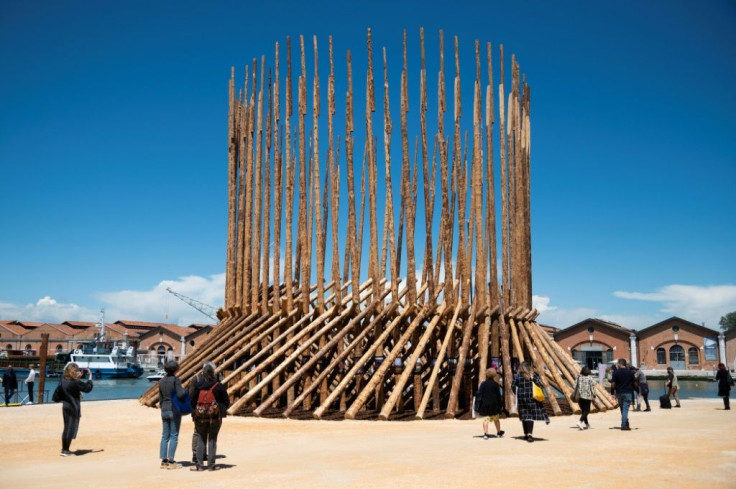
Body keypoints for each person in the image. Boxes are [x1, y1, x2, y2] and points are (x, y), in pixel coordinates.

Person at [190, 362, 229, 471]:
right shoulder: (218, 385)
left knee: (201, 439)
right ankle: (211, 465)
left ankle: (199, 465)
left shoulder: (198, 385)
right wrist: (219, 409)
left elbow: (192, 401)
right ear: (213, 373)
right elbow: (226, 401)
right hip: (215, 417)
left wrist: (197, 411)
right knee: (212, 440)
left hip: (200, 417)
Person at [158, 360, 187, 469]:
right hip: (174, 409)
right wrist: (185, 391)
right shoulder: (176, 380)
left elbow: (160, 398)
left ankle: (164, 460)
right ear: (175, 369)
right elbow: (180, 394)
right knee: (174, 435)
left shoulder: (161, 381)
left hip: (164, 409)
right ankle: (171, 461)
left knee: (165, 436)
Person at [59, 362, 94, 456]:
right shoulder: (75, 382)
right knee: (71, 427)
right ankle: (65, 450)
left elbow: (73, 385)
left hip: (65, 405)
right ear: (75, 372)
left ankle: (64, 449)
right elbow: (87, 388)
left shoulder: (64, 380)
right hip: (73, 406)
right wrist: (90, 377)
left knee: (66, 427)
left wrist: (77, 377)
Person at [512, 362, 549, 443]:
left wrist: (518, 393)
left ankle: (525, 434)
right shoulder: (533, 376)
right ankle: (529, 434)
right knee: (530, 416)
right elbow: (540, 385)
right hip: (532, 398)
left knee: (524, 416)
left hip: (522, 398)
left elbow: (513, 386)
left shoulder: (517, 376)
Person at [475, 367, 505, 439]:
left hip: (485, 404)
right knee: (496, 419)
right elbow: (498, 395)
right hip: (494, 404)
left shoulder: (483, 384)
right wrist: (500, 404)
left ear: (486, 375)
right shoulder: (496, 384)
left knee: (485, 420)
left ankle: (486, 434)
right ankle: (498, 432)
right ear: (494, 375)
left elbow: (480, 394)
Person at [610, 358, 635, 431]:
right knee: (625, 409)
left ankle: (626, 424)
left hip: (619, 393)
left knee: (623, 409)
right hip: (628, 392)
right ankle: (624, 425)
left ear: (620, 364)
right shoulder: (630, 372)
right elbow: (634, 383)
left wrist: (612, 393)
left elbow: (613, 384)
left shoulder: (615, 373)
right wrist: (636, 389)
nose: (617, 365)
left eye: (617, 363)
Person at [573, 366, 597, 430]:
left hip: (580, 396)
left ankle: (587, 424)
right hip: (587, 396)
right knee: (587, 410)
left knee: (584, 410)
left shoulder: (579, 378)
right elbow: (592, 388)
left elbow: (574, 386)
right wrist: (594, 395)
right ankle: (579, 421)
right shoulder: (590, 378)